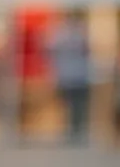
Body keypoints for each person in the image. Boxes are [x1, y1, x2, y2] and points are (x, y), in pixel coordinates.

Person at [49, 11, 92, 142]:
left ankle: (75, 129)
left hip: (74, 75)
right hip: (72, 75)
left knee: (75, 105)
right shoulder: (65, 32)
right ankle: (73, 129)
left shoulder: (63, 33)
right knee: (72, 104)